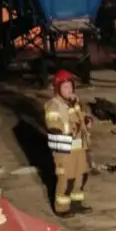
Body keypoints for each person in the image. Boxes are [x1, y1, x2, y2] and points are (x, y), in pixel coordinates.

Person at [43, 69, 93, 217]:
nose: (69, 90)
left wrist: (87, 120)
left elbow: (81, 116)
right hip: (64, 150)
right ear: (58, 88)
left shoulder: (74, 102)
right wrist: (73, 127)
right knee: (66, 179)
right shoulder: (53, 105)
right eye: (65, 87)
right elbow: (53, 125)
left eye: (70, 86)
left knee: (81, 176)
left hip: (79, 147)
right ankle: (62, 208)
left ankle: (76, 203)